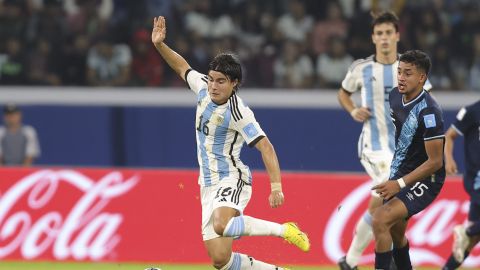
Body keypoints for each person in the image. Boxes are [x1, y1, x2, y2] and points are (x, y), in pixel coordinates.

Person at [151, 16, 310, 270]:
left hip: (231, 177)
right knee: (220, 260)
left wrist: (276, 187)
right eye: (212, 78)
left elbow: (265, 146)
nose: (213, 85)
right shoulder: (203, 88)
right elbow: (182, 68)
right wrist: (160, 45)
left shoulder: (239, 112)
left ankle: (284, 230)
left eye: (221, 81)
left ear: (234, 84)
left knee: (221, 224)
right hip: (207, 183)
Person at [337, 11, 434, 270]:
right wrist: (352, 109)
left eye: (389, 33)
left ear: (397, 35)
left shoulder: (410, 67)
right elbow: (343, 93)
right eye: (379, 33)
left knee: (382, 205)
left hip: (403, 152)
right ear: (373, 37)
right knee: (391, 198)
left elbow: (426, 103)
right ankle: (385, 258)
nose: (384, 38)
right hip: (374, 148)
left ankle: (350, 261)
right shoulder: (361, 68)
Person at [371, 50, 445, 270]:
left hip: (426, 178)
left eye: (408, 73)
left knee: (380, 219)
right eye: (399, 72)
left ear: (422, 78)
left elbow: (435, 162)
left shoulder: (429, 113)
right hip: (400, 172)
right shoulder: (395, 95)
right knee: (396, 233)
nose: (401, 78)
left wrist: (399, 183)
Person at [442, 100, 480, 270]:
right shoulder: (472, 111)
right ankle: (467, 232)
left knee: (472, 240)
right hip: (477, 178)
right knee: (471, 235)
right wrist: (449, 159)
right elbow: (449, 135)